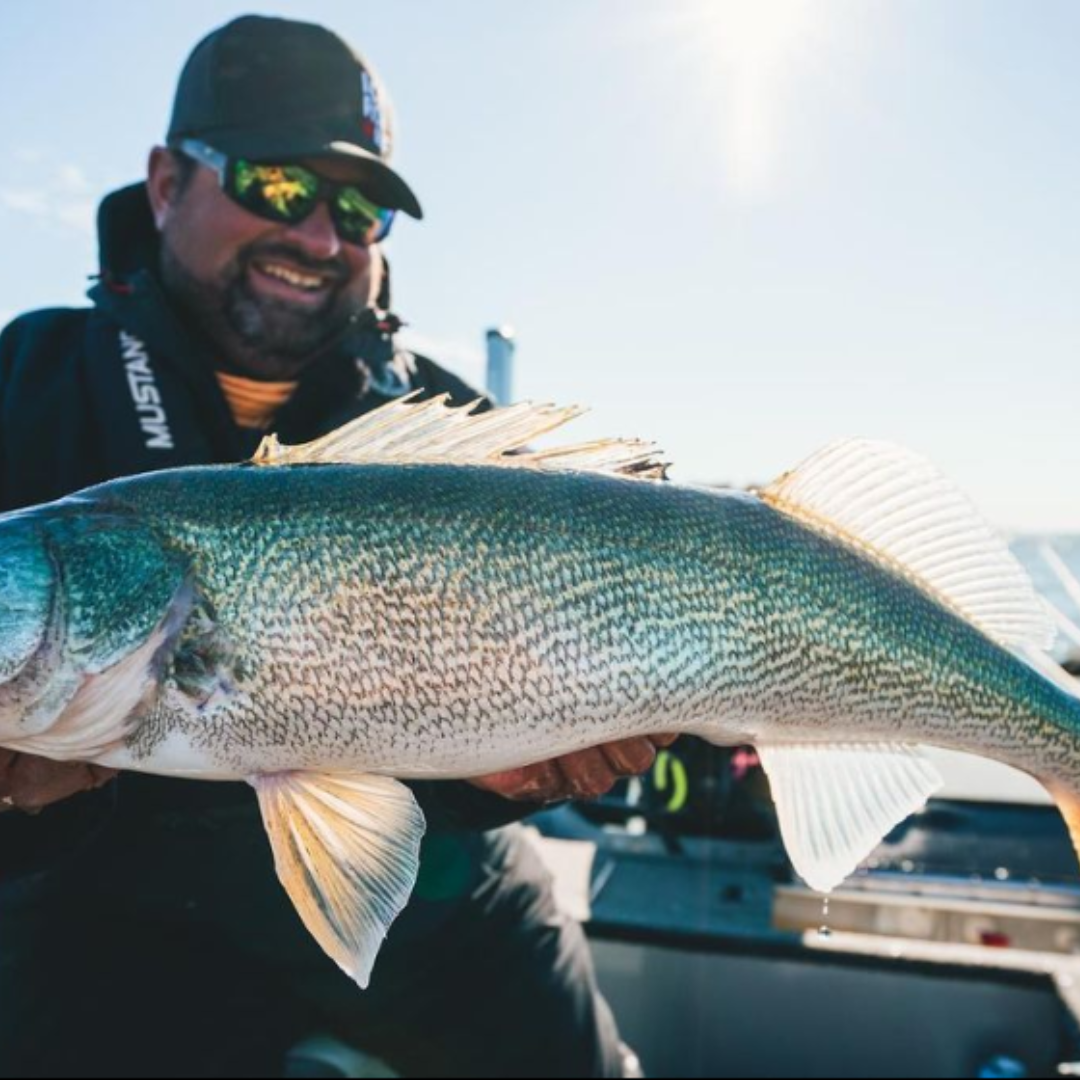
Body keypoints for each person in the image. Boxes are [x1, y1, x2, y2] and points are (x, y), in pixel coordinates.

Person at [0, 15, 675, 1079]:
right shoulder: (20, 384)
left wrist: (499, 778)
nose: (319, 235)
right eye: (277, 186)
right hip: (110, 921)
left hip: (441, 910)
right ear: (168, 181)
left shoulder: (452, 435)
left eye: (360, 208)